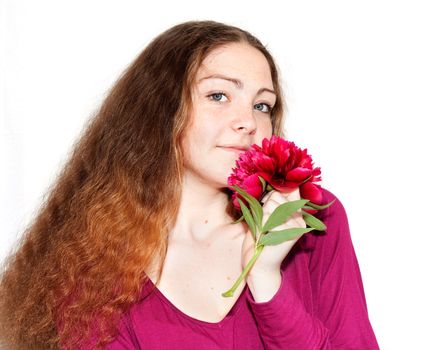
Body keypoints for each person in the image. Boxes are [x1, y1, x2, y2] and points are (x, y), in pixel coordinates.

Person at [0, 20, 380, 349]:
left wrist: (268, 281)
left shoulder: (312, 219)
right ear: (161, 111)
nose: (247, 121)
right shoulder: (90, 262)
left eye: (262, 105)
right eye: (218, 95)